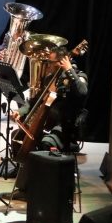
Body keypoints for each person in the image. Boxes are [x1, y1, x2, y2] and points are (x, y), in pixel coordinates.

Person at [12, 49, 88, 197]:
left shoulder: (78, 76)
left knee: (46, 143)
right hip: (47, 124)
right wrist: (20, 112)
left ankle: (44, 188)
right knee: (18, 136)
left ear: (61, 62)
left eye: (49, 62)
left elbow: (82, 92)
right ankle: (26, 182)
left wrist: (69, 70)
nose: (46, 65)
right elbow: (35, 101)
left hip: (65, 127)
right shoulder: (50, 79)